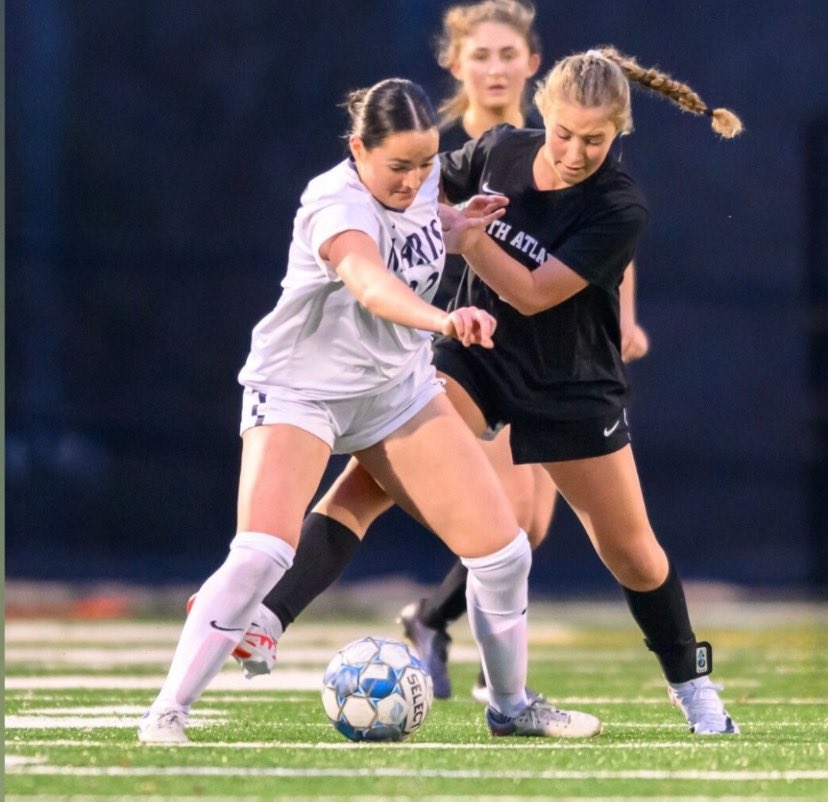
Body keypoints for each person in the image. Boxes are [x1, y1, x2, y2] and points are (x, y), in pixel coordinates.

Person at [223, 46, 745, 737]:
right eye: (563, 132)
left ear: (619, 132)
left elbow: (530, 294)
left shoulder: (621, 206)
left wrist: (466, 242)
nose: (574, 150)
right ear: (543, 114)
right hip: (474, 353)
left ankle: (692, 687)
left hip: (570, 381)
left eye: (594, 139)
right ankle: (265, 618)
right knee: (367, 480)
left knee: (632, 551)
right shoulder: (499, 148)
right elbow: (418, 192)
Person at [138, 77, 602, 745]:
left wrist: (454, 223)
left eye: (425, 163)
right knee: (263, 553)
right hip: (303, 391)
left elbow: (413, 233)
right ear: (358, 147)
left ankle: (510, 706)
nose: (416, 178)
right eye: (399, 166)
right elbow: (371, 282)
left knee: (503, 554)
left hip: (394, 391)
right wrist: (445, 320)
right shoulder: (333, 202)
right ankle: (167, 713)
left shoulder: (424, 174)